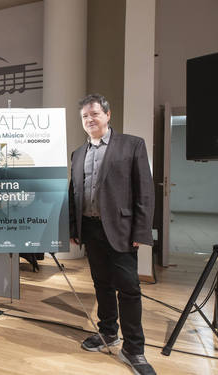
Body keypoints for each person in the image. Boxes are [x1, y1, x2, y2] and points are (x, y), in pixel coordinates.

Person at [69, 94, 156, 375]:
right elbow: (75, 193)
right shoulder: (78, 153)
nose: (90, 119)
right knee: (101, 284)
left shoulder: (132, 145)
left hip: (121, 230)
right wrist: (74, 228)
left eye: (94, 114)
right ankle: (108, 332)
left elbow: (144, 191)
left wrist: (141, 230)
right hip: (91, 228)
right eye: (85, 116)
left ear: (108, 115)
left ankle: (134, 349)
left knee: (128, 289)